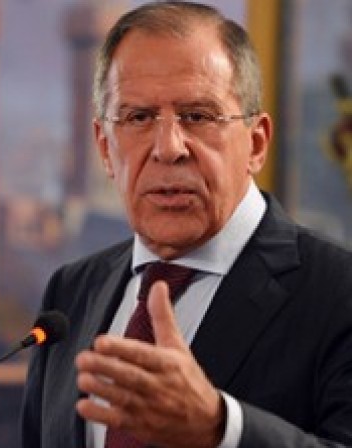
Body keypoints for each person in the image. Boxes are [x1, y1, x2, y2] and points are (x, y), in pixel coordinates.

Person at [20, 1, 352, 447]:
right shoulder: (70, 293)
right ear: (104, 148)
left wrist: (220, 429)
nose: (168, 147)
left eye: (197, 116)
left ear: (256, 143)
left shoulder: (339, 292)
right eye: (139, 117)